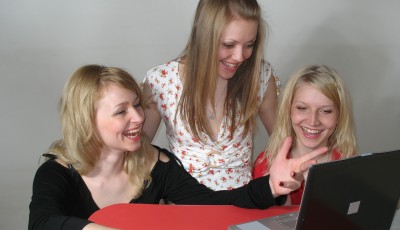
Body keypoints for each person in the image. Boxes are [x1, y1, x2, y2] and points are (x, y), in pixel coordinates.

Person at [29, 65, 327, 230]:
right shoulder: (57, 171)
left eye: (136, 105)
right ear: (87, 121)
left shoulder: (158, 164)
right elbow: (41, 223)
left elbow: (214, 205)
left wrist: (271, 186)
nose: (138, 117)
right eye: (121, 112)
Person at [142, 0, 280, 191]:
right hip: (183, 205)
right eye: (229, 44)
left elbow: (283, 140)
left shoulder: (260, 76)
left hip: (243, 205)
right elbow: (136, 152)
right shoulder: (161, 81)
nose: (240, 56)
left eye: (249, 44)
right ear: (204, 37)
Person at [253, 64, 358, 205]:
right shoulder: (265, 164)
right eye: (302, 108)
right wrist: (277, 192)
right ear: (288, 111)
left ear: (339, 116)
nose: (313, 121)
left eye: (326, 111)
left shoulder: (350, 162)